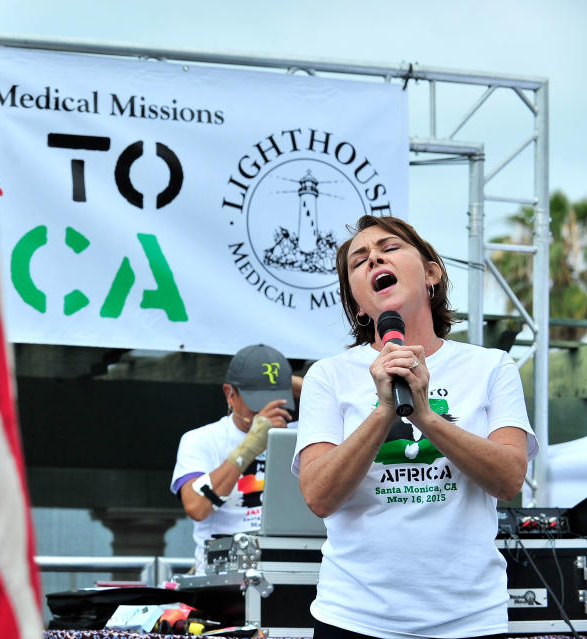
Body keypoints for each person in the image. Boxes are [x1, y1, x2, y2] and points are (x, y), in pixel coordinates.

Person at [294, 215, 538, 639]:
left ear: (431, 273)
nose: (373, 260)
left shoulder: (490, 366)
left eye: (388, 249)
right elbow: (318, 496)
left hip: (471, 621)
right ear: (356, 300)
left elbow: (509, 478)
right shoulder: (328, 376)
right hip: (355, 618)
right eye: (359, 261)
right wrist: (383, 410)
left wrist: (425, 416)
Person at [171, 344, 302, 574]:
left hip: (290, 562)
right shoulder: (201, 439)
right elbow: (196, 506)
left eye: (275, 399)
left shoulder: (301, 432)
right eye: (257, 401)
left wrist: (291, 383)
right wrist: (250, 446)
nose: (265, 409)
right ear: (229, 394)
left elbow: (359, 402)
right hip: (221, 571)